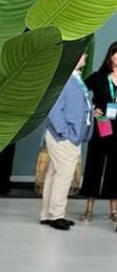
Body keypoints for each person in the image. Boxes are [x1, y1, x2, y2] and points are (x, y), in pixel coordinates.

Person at [41, 52, 93, 230]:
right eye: (82, 55)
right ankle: (57, 215)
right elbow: (54, 108)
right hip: (64, 137)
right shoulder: (65, 80)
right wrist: (66, 132)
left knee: (55, 174)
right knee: (64, 175)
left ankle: (48, 214)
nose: (85, 57)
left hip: (69, 136)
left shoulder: (74, 78)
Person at [81, 42, 117, 222]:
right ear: (110, 56)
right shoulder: (98, 77)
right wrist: (92, 109)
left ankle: (114, 210)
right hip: (103, 124)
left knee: (115, 169)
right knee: (95, 164)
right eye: (116, 53)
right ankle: (89, 208)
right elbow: (81, 92)